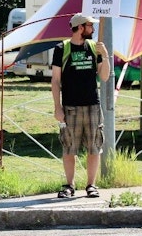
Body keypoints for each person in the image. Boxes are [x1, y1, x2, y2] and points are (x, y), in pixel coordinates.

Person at [51, 13, 110, 199]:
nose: (93, 29)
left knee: (94, 146)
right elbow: (55, 81)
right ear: (81, 28)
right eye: (90, 26)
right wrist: (57, 107)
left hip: (92, 105)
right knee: (69, 148)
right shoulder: (62, 48)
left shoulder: (94, 48)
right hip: (70, 107)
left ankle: (91, 185)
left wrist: (106, 56)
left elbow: (104, 76)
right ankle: (69, 185)